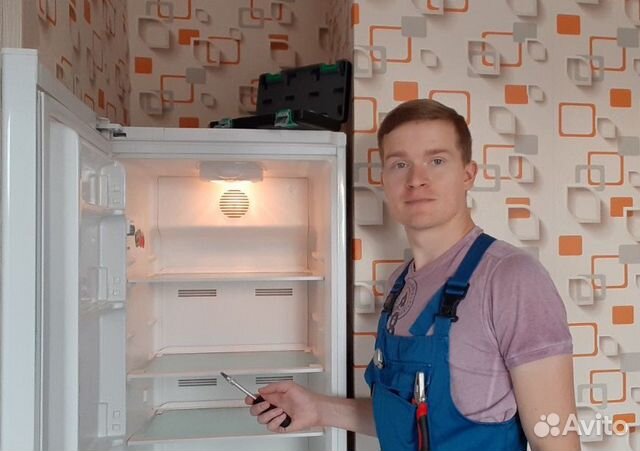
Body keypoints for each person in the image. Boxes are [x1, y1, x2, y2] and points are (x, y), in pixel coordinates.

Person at [246, 99, 580, 451]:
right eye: (400, 164)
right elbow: (412, 420)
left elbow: (558, 443)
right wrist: (318, 409)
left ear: (468, 175)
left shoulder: (512, 278)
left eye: (436, 161)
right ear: (383, 180)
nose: (416, 180)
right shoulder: (399, 285)